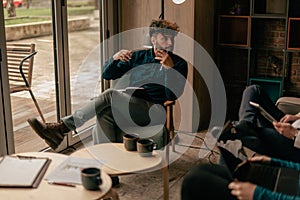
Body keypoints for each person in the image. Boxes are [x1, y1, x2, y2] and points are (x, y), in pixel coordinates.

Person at [27, 19, 188, 150]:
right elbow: (107, 74)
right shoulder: (138, 56)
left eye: (171, 39)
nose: (169, 43)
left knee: (110, 95)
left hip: (155, 111)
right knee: (105, 113)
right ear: (153, 39)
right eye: (164, 38)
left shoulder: (179, 64)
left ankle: (62, 128)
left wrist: (169, 70)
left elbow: (171, 96)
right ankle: (109, 170)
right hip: (130, 104)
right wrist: (114, 58)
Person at [181, 155, 300, 200]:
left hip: (278, 195)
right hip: (289, 177)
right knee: (203, 169)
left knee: (194, 180)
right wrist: (272, 161)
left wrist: (257, 194)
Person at [233, 84, 300, 162]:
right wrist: (296, 116)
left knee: (254, 134)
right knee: (253, 90)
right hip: (293, 124)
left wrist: (294, 133)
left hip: (295, 142)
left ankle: (244, 131)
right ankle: (246, 125)